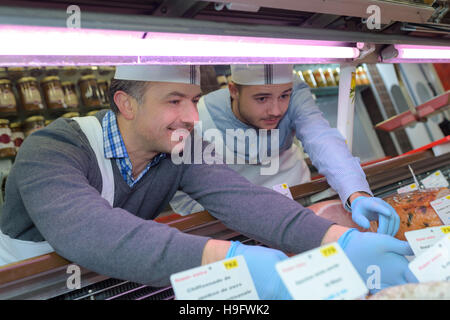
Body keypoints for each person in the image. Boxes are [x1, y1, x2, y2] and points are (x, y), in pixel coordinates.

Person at [0, 65, 414, 299]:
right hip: (27, 288)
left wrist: (338, 239)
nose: (192, 116)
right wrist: (233, 259)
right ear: (125, 103)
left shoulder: (181, 146)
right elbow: (91, 232)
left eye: (194, 100)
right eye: (174, 101)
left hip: (104, 283)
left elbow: (243, 199)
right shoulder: (52, 148)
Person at [170, 64, 400, 237]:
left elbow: (321, 138)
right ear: (234, 91)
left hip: (299, 205)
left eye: (284, 96)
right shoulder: (198, 119)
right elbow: (185, 196)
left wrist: (356, 193)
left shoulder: (295, 92)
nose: (276, 110)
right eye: (261, 98)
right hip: (230, 225)